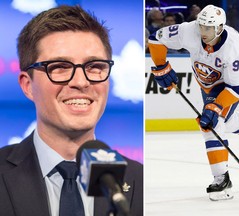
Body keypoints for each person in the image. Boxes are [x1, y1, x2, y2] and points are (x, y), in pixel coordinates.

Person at [0, 5, 143, 216]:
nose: (81, 82)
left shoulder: (139, 179)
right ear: (27, 85)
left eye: (94, 66)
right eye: (59, 67)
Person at [148, 4, 239, 201]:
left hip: (228, 86)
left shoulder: (234, 46)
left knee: (212, 124)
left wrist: (215, 106)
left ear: (219, 28)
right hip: (206, 85)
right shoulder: (188, 30)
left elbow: (237, 88)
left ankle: (222, 180)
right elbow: (156, 38)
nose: (203, 31)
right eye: (202, 26)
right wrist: (161, 65)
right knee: (224, 120)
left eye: (208, 28)